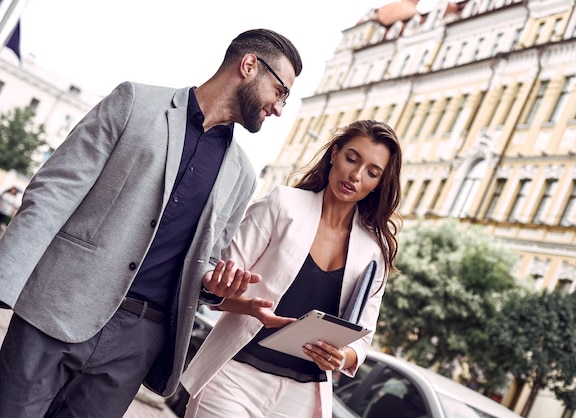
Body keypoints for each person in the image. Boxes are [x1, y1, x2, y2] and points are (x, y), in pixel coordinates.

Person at [0, 28, 302, 418]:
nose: (279, 107)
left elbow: (209, 259)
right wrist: (5, 281)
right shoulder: (135, 102)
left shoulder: (242, 174)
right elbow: (53, 192)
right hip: (59, 306)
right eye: (280, 91)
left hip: (137, 341)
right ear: (248, 66)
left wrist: (215, 283)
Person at [181, 119, 403, 418]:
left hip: (301, 396)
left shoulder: (373, 250)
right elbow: (214, 286)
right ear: (334, 153)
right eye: (351, 159)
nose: (356, 175)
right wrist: (247, 306)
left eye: (372, 173)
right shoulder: (283, 204)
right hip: (236, 374)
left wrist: (340, 356)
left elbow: (361, 338)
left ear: (378, 184)